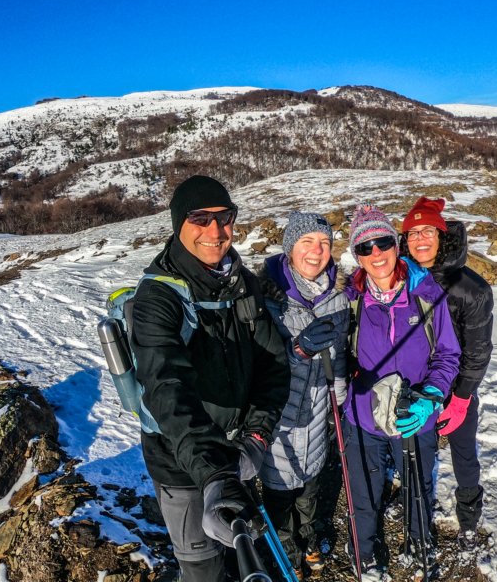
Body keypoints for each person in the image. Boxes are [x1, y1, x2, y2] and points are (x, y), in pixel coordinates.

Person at [130, 175, 291, 582]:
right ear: (177, 224)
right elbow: (166, 389)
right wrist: (213, 473)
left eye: (224, 217)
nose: (215, 232)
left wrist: (257, 437)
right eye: (200, 218)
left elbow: (273, 363)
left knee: (241, 552)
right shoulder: (157, 298)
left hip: (236, 452)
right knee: (202, 567)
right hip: (181, 465)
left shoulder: (242, 283)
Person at [341, 203, 460, 580]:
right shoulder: (350, 298)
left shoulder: (426, 292)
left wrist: (432, 396)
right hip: (362, 416)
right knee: (364, 490)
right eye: (365, 247)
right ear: (357, 256)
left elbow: (448, 354)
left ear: (396, 244)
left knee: (417, 484)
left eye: (383, 242)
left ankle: (419, 540)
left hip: (414, 412)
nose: (376, 253)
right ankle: (364, 551)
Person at [257, 211, 351, 573]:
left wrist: (338, 395)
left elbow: (339, 356)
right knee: (279, 497)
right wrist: (297, 351)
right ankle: (287, 553)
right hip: (279, 422)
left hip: (317, 421)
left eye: (325, 243)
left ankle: (308, 537)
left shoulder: (337, 299)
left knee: (310, 491)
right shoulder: (268, 298)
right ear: (289, 247)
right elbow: (259, 362)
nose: (317, 251)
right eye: (307, 241)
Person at [400, 196, 493, 552]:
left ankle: (468, 520)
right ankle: (413, 501)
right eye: (413, 233)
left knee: (463, 453)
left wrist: (461, 398)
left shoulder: (471, 289)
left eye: (428, 231)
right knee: (413, 447)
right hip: (413, 384)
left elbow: (478, 351)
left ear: (442, 236)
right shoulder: (401, 278)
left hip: (456, 388)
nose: (420, 239)